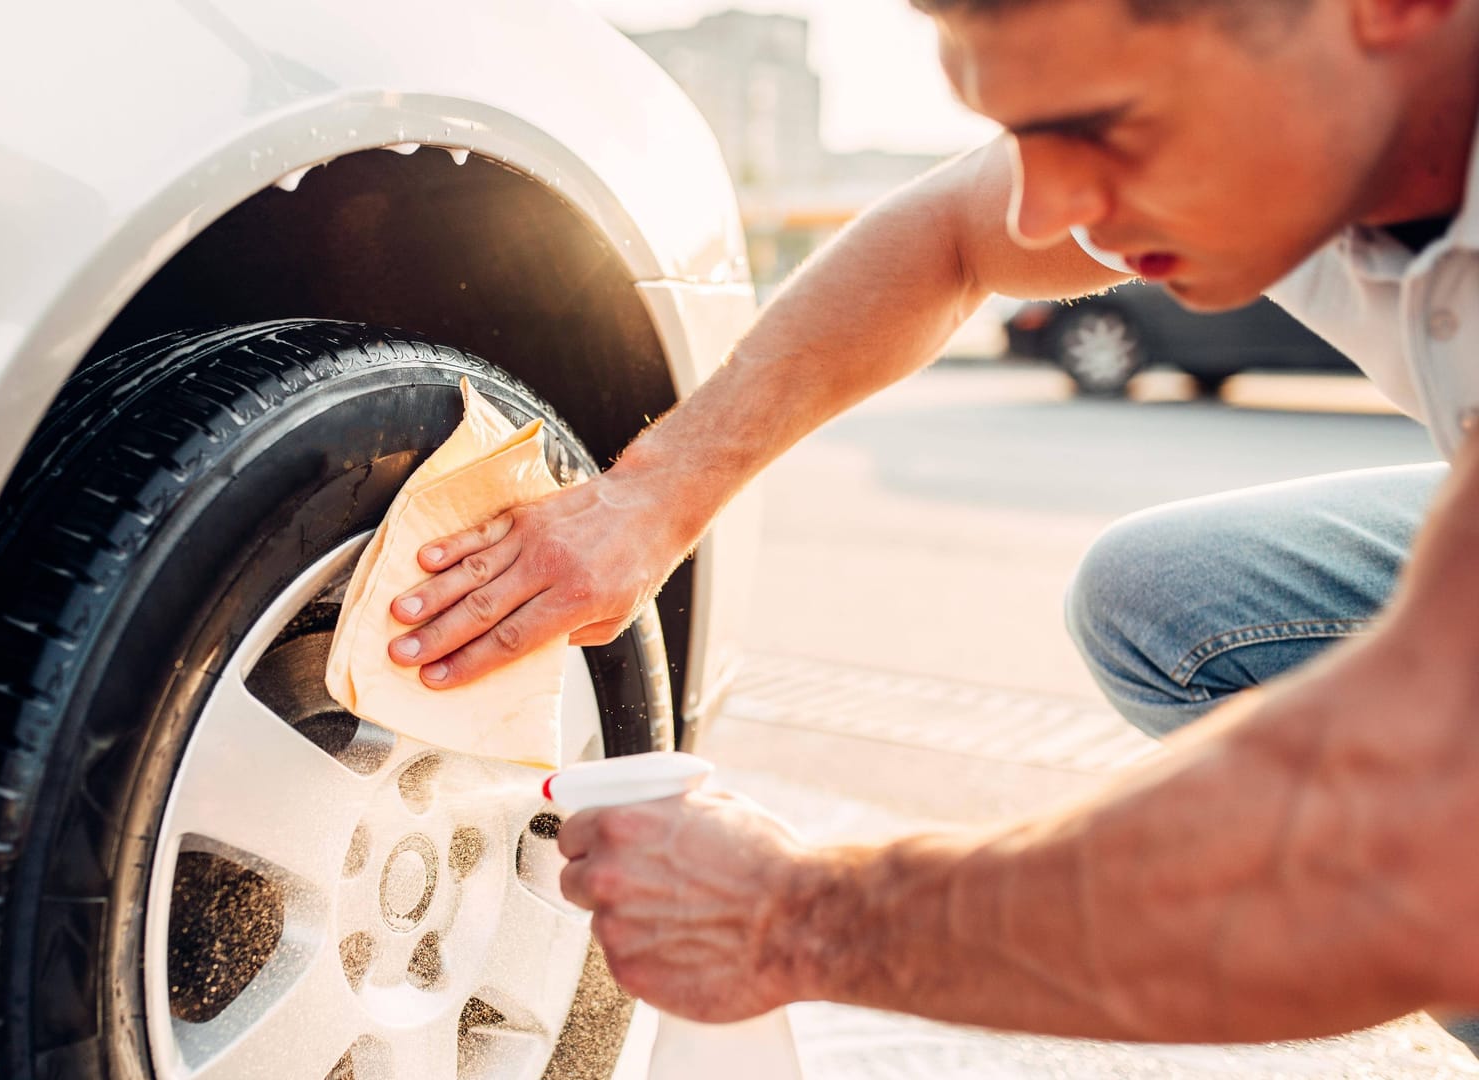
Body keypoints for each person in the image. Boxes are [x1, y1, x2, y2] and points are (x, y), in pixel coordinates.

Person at [381, 0, 1479, 1044]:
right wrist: (650, 497)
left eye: (1105, 125)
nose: (1046, 211)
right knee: (1169, 600)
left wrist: (797, 917)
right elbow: (952, 235)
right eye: (1020, 133)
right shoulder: (1301, 109)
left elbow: (1395, 850)